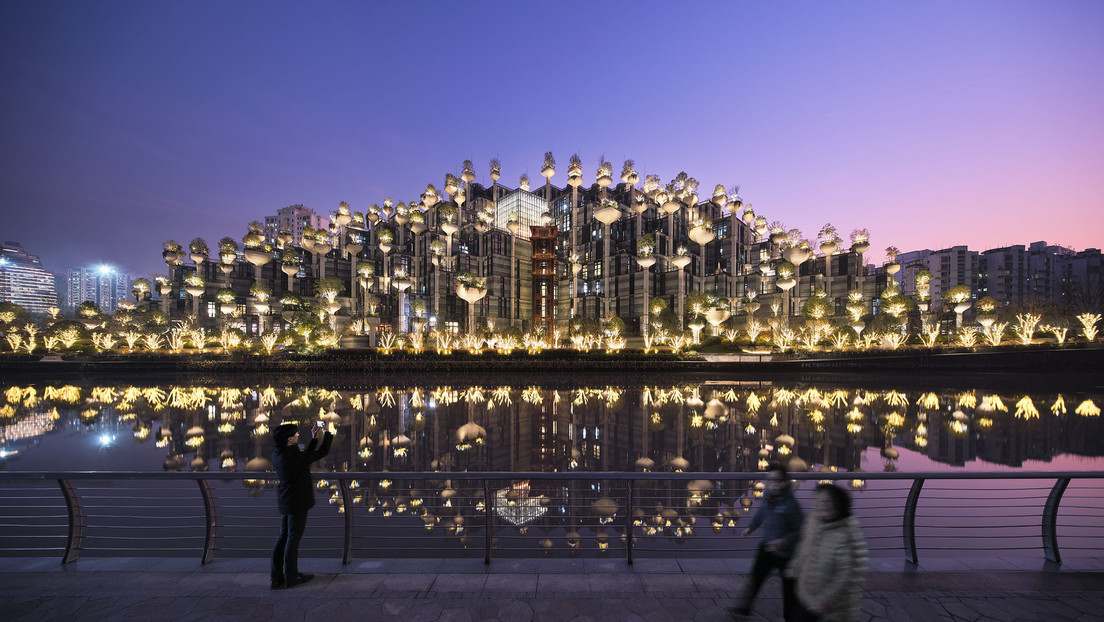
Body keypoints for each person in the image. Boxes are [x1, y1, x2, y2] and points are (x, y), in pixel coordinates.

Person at [730, 462, 804, 620]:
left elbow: (799, 530)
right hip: (767, 547)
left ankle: (790, 617)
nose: (773, 484)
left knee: (789, 588)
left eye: (777, 480)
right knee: (756, 578)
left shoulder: (791, 505)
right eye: (770, 480)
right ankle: (744, 607)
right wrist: (751, 527)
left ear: (784, 482)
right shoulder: (768, 496)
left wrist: (783, 541)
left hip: (786, 553)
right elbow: (762, 513)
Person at [788, 483, 868, 622]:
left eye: (826, 502)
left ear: (839, 505)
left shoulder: (846, 534)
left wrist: (826, 599)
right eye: (817, 501)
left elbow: (845, 575)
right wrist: (795, 565)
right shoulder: (813, 521)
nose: (820, 505)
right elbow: (804, 547)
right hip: (809, 594)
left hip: (833, 605)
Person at [271, 421, 333, 590]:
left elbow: (305, 458)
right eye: (296, 434)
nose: (298, 435)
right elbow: (322, 452)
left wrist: (314, 437)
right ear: (289, 439)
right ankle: (291, 577)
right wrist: (329, 432)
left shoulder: (279, 453)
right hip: (297, 500)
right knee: (292, 539)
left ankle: (277, 577)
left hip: (286, 499)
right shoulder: (293, 456)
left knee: (283, 537)